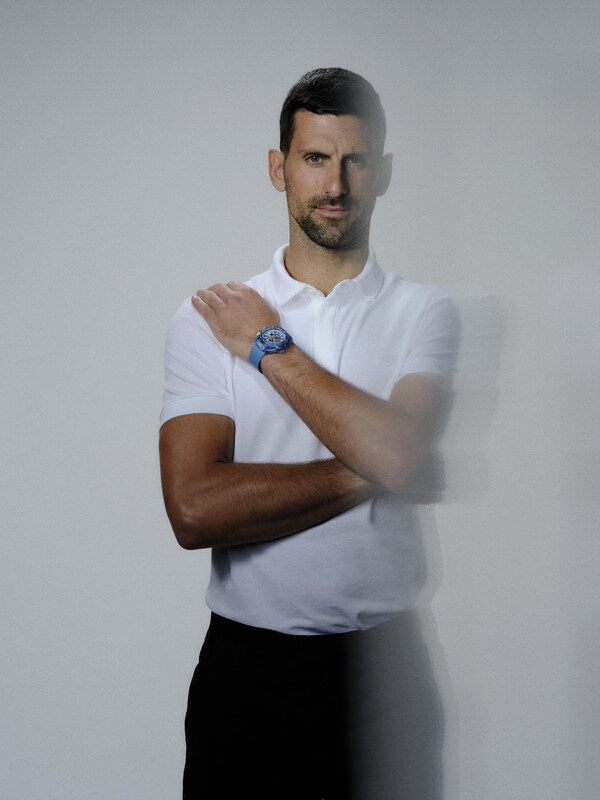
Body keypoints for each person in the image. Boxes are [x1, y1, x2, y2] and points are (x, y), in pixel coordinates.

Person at [159, 67, 459, 800]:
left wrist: (268, 347)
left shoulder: (426, 312)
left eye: (357, 160)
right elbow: (194, 510)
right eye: (315, 158)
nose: (335, 184)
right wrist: (385, 460)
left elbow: (399, 453)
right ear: (279, 168)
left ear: (384, 173)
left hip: (388, 673)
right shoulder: (212, 317)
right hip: (248, 676)